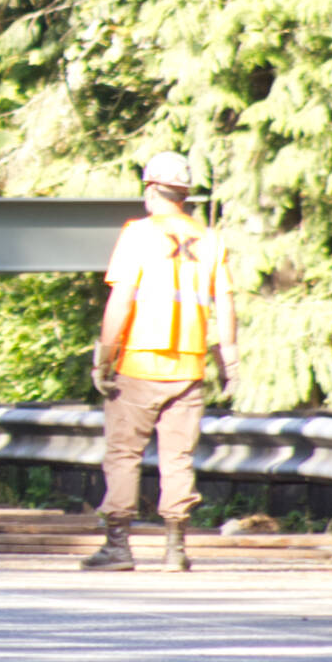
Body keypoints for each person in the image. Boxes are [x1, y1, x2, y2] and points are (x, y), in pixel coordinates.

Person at [81, 151, 239, 572]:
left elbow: (120, 301)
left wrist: (104, 356)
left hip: (137, 364)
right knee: (178, 458)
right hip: (189, 369)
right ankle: (175, 549)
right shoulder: (210, 239)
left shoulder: (137, 234)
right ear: (185, 194)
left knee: (123, 455)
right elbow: (225, 304)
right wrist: (230, 360)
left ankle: (118, 546)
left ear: (151, 189)